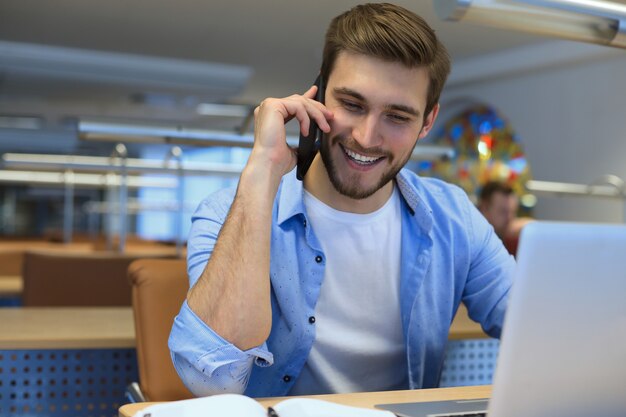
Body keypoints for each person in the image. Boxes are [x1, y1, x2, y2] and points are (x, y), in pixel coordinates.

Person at [169, 3, 515, 398]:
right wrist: (261, 171)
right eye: (352, 105)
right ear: (317, 92)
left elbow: (537, 326)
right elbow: (210, 381)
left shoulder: (453, 218)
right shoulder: (227, 212)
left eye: (398, 117)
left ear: (428, 122)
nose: (367, 137)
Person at [478, 181, 532, 255]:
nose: (509, 218)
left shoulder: (511, 240)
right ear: (484, 208)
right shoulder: (473, 244)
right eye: (503, 212)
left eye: (513, 212)